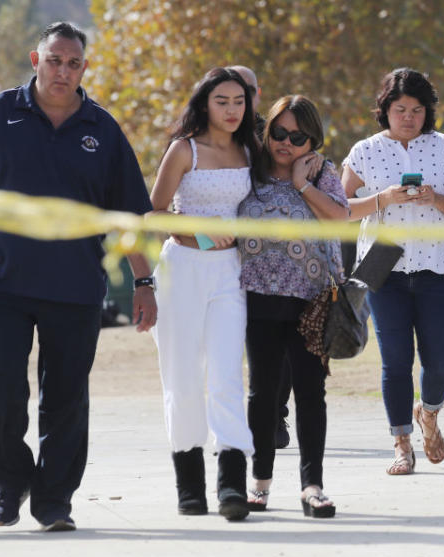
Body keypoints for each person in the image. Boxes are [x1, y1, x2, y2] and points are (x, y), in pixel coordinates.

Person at [0, 22, 156, 531]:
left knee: (66, 397)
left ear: (84, 68)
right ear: (35, 60)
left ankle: (54, 502)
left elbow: (129, 216)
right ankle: (10, 480)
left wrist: (143, 283)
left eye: (73, 63)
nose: (62, 71)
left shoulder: (103, 128)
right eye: (54, 60)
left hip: (73, 288)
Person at [342, 68, 444, 475]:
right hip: (385, 267)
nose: (409, 117)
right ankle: (401, 443)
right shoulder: (364, 151)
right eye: (401, 109)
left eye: (417, 109)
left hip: (438, 265)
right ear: (385, 109)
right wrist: (381, 199)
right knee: (395, 361)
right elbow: (341, 209)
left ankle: (429, 413)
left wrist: (435, 199)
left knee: (441, 361)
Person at [148, 67, 258, 521]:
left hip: (230, 276)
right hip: (183, 270)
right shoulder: (185, 149)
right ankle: (189, 487)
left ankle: (232, 486)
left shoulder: (251, 150)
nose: (232, 110)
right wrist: (205, 238)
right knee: (183, 378)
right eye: (222, 101)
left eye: (239, 101)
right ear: (204, 104)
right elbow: (153, 214)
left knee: (228, 376)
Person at [239, 95, 346, 517]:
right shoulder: (250, 171)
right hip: (259, 298)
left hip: (312, 302)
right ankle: (260, 484)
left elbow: (340, 219)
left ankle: (312, 486)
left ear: (312, 139)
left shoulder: (323, 172)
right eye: (278, 133)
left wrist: (303, 185)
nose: (285, 142)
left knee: (310, 394)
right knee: (262, 395)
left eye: (297, 136)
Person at [231, 64, 292, 450]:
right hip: (218, 255)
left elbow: (301, 154)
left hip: (271, 259)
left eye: (247, 90)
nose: (240, 99)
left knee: (277, 343)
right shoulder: (205, 137)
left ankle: (275, 416)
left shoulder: (270, 134)